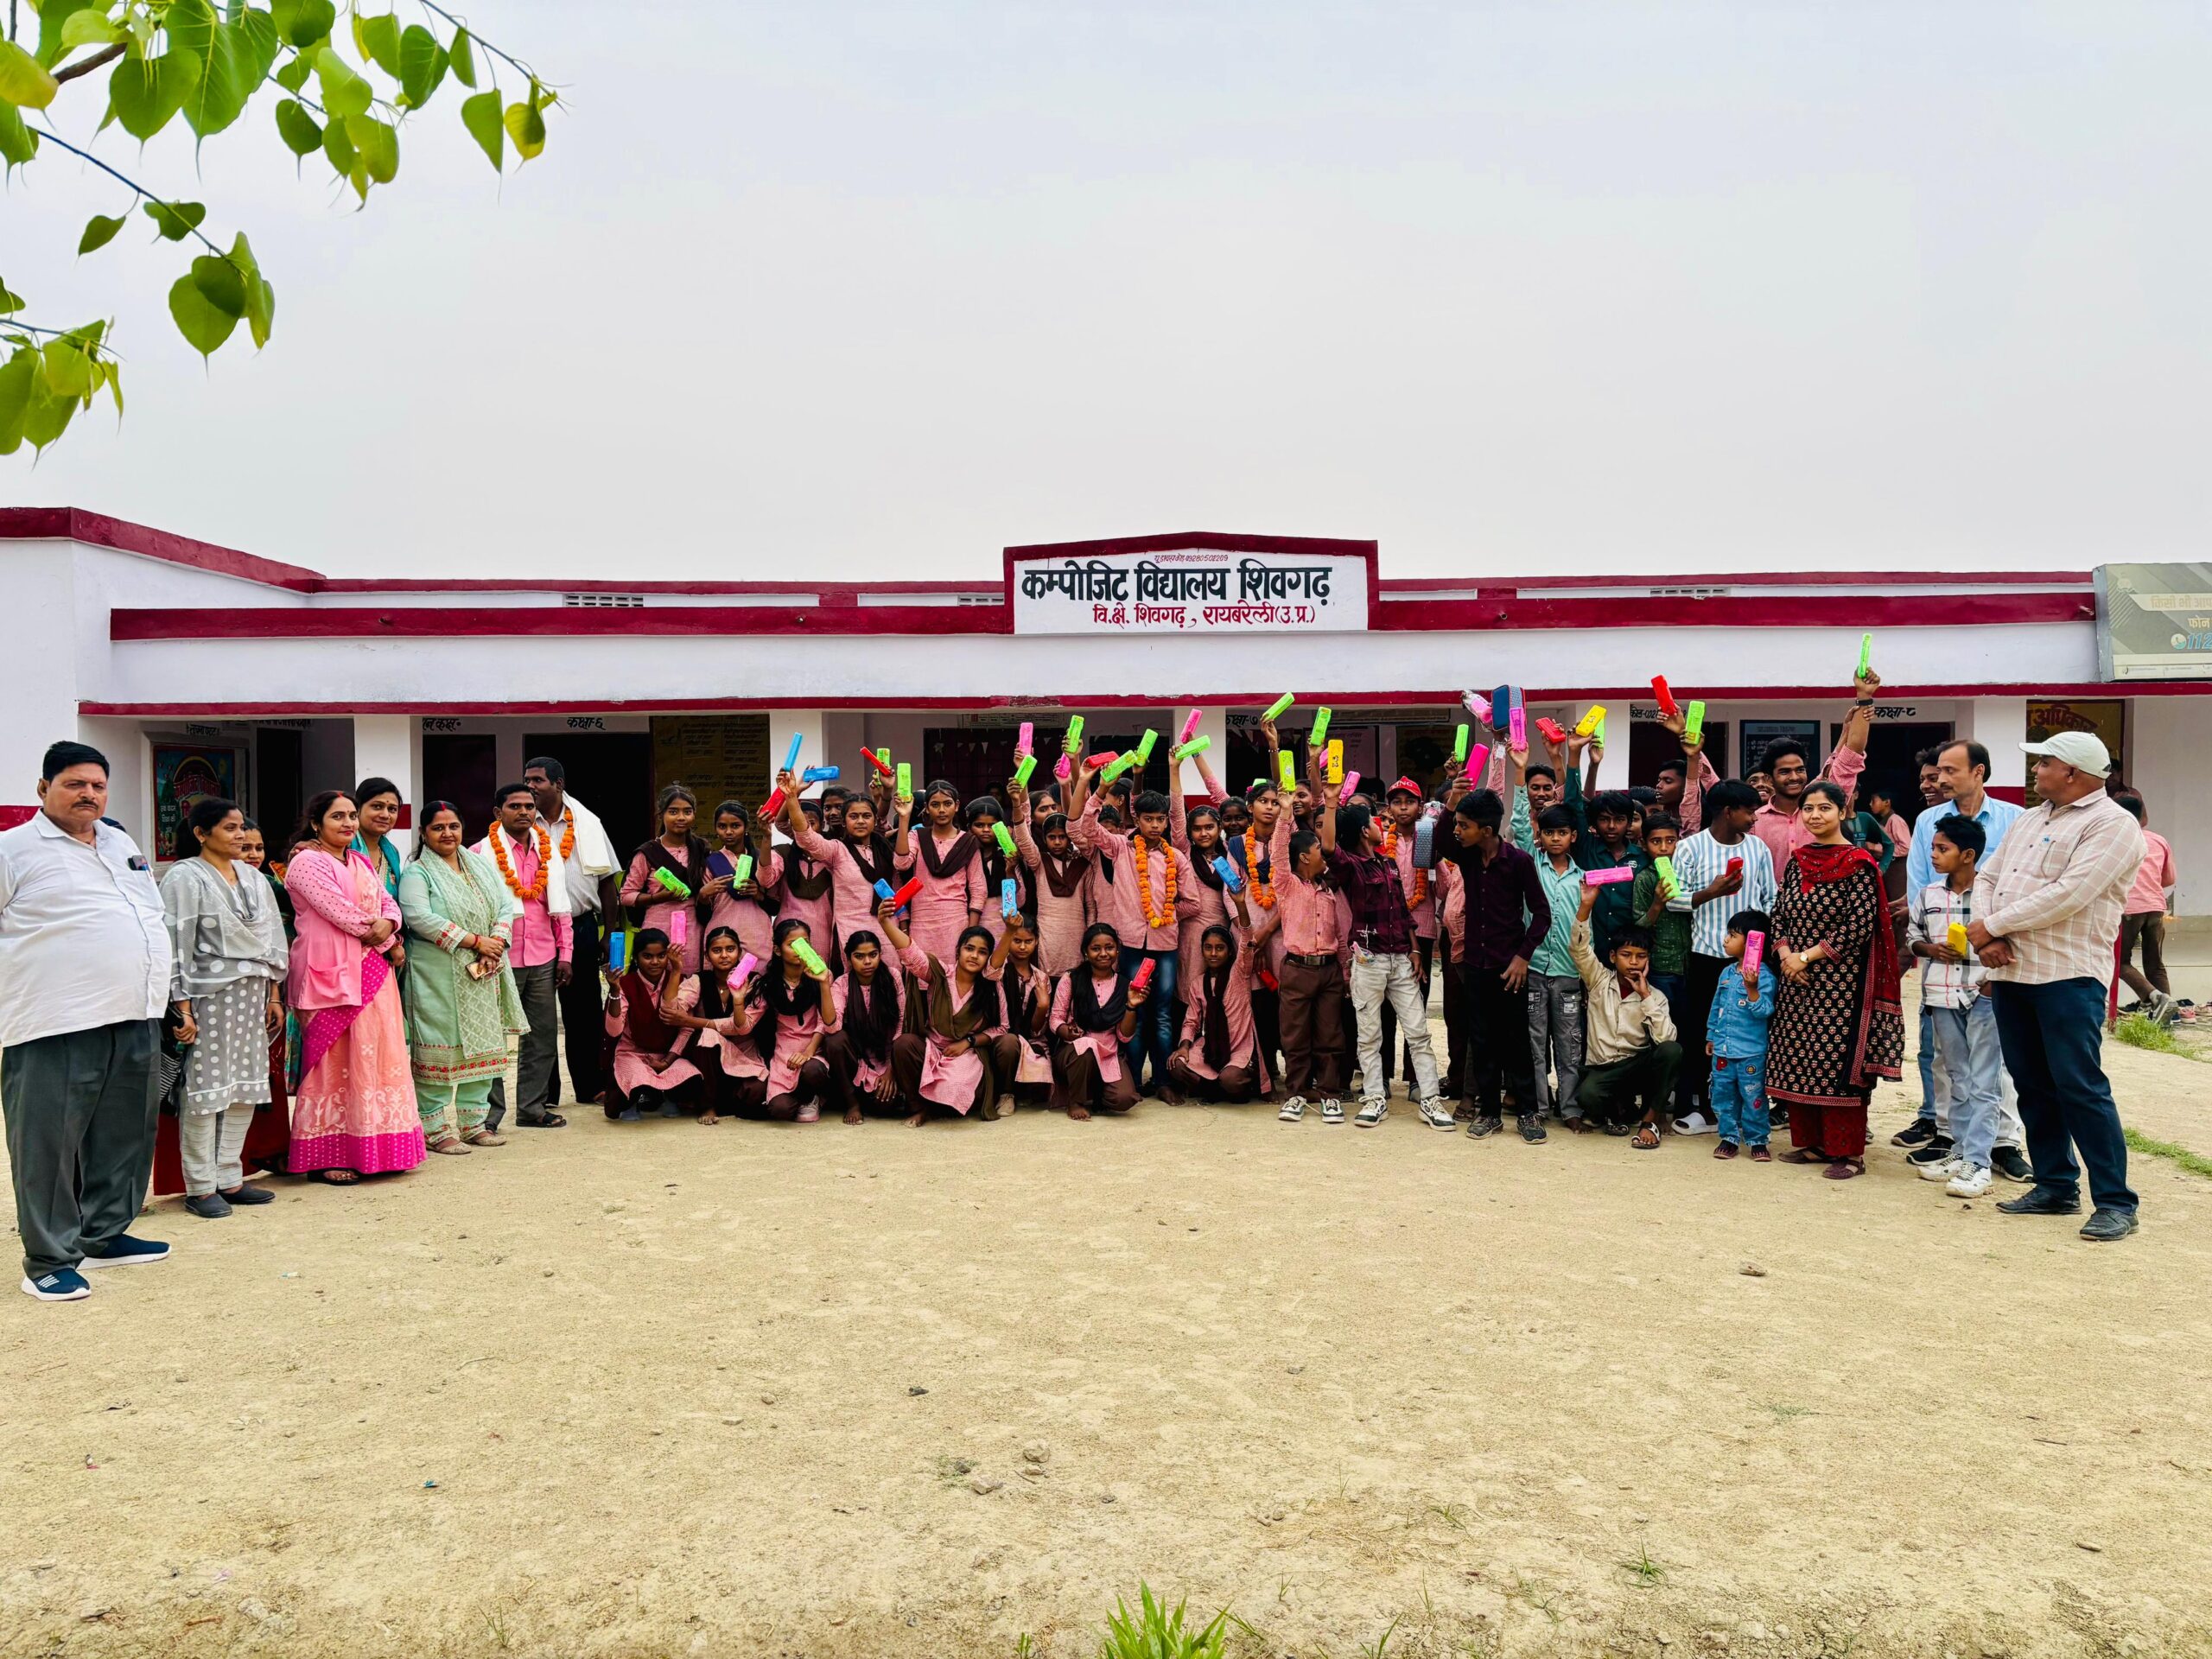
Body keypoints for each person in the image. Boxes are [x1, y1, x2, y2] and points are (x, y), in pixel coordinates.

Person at [0, 742, 174, 1299]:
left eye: (98, 785)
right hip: (55, 1020)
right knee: (48, 1144)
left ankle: (104, 1234)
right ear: (43, 788)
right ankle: (49, 1259)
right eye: (75, 784)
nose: (89, 794)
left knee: (126, 1133)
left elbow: (147, 914)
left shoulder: (120, 842)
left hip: (136, 1012)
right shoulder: (13, 849)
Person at [1971, 732, 2145, 1243]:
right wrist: (1987, 936)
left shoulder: (2113, 825)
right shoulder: (2031, 818)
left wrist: (1993, 927)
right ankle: (2055, 1185)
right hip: (2012, 972)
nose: (2036, 770)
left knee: (2080, 1087)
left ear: (2072, 772)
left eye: (2044, 762)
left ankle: (2115, 1202)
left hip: (2066, 975)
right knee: (2032, 1085)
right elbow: (1986, 877)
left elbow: (2070, 894)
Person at [1896, 740, 2029, 1179]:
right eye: (1939, 771)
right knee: (1943, 1058)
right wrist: (1927, 949)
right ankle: (1951, 1138)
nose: (1941, 778)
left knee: (1996, 1064)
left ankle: (2002, 1145)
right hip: (1942, 974)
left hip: (1992, 967)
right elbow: (1921, 889)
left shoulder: (2015, 819)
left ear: (1979, 772)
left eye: (1951, 770)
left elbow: (2019, 892)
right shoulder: (1927, 821)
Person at [284, 790, 428, 1185]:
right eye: (338, 816)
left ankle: (383, 1150)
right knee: (333, 1066)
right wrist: (388, 940)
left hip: (373, 975)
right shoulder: (305, 863)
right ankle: (328, 1155)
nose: (348, 823)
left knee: (379, 1058)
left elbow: (388, 903)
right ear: (316, 824)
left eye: (351, 816)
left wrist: (391, 924)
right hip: (329, 976)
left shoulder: (361, 860)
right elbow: (340, 912)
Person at [1764, 780, 1904, 1180]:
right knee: (1799, 1058)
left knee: (1837, 1064)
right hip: (1796, 979)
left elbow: (1858, 926)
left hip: (1841, 983)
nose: (1815, 816)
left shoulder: (1859, 864)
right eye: (1808, 809)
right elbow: (1779, 913)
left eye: (1824, 808)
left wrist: (1806, 957)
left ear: (1842, 812)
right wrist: (1787, 956)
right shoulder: (1798, 861)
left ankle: (1849, 1153)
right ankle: (1812, 1144)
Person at [157, 798, 290, 1219]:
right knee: (204, 1090)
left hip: (253, 997)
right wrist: (181, 1007)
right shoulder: (184, 877)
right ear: (201, 833)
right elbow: (175, 943)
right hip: (206, 997)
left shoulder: (253, 877)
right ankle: (200, 1186)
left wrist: (273, 995)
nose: (240, 836)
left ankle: (230, 1177)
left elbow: (272, 939)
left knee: (245, 1087)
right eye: (230, 829)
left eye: (241, 828)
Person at [1312, 739, 1451, 1132]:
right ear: (1364, 832)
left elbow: (1404, 914)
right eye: (1374, 821)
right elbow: (1329, 848)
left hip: (1402, 959)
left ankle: (1430, 1100)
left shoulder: (1388, 865)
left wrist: (1415, 951)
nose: (1382, 823)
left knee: (1419, 1031)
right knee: (1370, 1034)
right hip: (1369, 960)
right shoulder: (1352, 868)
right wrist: (1332, 803)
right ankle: (1374, 1097)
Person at [401, 801, 527, 1153]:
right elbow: (419, 917)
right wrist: (475, 941)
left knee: (483, 1044)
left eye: (453, 826)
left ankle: (474, 1124)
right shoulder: (417, 873)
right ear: (423, 833)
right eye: (438, 827)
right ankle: (436, 1129)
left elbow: (504, 905)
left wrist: (495, 942)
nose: (447, 833)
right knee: (439, 1046)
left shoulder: (479, 865)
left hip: (483, 971)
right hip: (437, 975)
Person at [1070, 771, 1198, 1099]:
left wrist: (1165, 916)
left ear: (1166, 822)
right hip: (1129, 944)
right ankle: (1135, 1082)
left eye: (1160, 820)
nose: (1155, 825)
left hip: (1165, 945)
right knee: (1133, 1012)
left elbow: (1193, 902)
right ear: (1136, 819)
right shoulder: (1120, 848)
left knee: (1163, 1014)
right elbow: (1087, 828)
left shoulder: (1176, 858)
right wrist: (1100, 790)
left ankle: (1163, 1082)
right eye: (1148, 819)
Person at [1436, 780, 1552, 1142]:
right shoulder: (1468, 857)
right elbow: (1441, 843)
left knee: (1517, 1042)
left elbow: (1542, 915)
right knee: (1482, 1040)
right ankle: (1489, 1113)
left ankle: (1529, 1113)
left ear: (1485, 830)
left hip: (1509, 969)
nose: (1458, 831)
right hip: (1476, 965)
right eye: (1457, 824)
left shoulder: (1518, 862)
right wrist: (1452, 804)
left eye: (1464, 825)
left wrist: (1522, 957)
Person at [1666, 780, 1776, 1135]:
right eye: (1749, 811)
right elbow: (1673, 900)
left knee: (1751, 1035)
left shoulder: (1758, 848)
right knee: (1703, 1033)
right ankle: (1701, 1108)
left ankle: (1748, 1110)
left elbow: (1771, 899)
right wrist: (1710, 892)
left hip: (1751, 964)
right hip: (1707, 958)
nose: (1754, 819)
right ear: (1728, 811)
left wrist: (1761, 946)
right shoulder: (1690, 848)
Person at [1907, 816, 2001, 1198]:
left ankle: (1980, 1163)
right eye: (1933, 847)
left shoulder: (1992, 894)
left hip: (1984, 995)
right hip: (1942, 995)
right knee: (1957, 1077)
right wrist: (1930, 949)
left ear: (1968, 855)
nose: (1933, 855)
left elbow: (2011, 938)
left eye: (1942, 849)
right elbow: (1912, 937)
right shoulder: (1928, 895)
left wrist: (1993, 983)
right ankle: (1961, 1152)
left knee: (1985, 1082)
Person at [524, 755, 624, 1108]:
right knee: (538, 1015)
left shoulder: (588, 823)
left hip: (580, 927)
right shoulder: (521, 823)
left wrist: (608, 933)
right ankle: (544, 1093)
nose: (530, 787)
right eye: (527, 780)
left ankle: (589, 1085)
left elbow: (608, 882)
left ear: (559, 784)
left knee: (583, 1011)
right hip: (535, 929)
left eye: (537, 780)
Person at [474, 782, 571, 1132]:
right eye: (514, 806)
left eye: (529, 806)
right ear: (498, 813)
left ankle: (532, 1109)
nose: (524, 812)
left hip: (543, 956)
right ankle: (488, 1116)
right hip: (499, 957)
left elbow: (560, 909)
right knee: (493, 1038)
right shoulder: (479, 853)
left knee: (542, 1036)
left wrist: (566, 953)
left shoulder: (549, 850)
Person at [1566, 884, 1680, 1147]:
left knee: (1672, 1051)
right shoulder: (1598, 981)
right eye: (1626, 955)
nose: (1634, 962)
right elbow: (1579, 950)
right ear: (1613, 957)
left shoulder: (1655, 996)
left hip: (1636, 1068)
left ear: (1648, 960)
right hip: (1603, 1070)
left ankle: (1649, 1121)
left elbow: (1667, 1041)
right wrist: (1586, 906)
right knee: (1588, 1096)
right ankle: (1618, 1110)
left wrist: (1645, 997)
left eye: (1641, 956)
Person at [880, 906, 1011, 1124]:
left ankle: (942, 1105)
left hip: (967, 1054)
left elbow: (1002, 1028)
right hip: (932, 1051)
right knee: (904, 1044)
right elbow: (911, 954)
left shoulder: (991, 986)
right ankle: (919, 1108)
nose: (974, 956)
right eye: (969, 949)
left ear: (988, 957)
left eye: (982, 952)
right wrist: (885, 923)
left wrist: (968, 1042)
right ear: (958, 951)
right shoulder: (940, 974)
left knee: (955, 1090)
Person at [1268, 770, 1346, 1124]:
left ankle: (1329, 1095)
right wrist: (1285, 812)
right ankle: (1296, 1094)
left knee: (1330, 1036)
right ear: (1303, 858)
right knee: (1295, 1037)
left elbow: (1339, 935)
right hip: (1297, 969)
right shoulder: (1287, 885)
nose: (1323, 854)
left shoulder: (1328, 890)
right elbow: (1278, 853)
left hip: (1328, 971)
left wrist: (1344, 972)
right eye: (1317, 850)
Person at [1750, 670, 1878, 871]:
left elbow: (1850, 757)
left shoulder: (1823, 803)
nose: (1795, 777)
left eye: (1799, 769)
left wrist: (1864, 697)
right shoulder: (1755, 821)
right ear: (1768, 778)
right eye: (1785, 772)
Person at [781, 769, 913, 963]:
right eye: (854, 816)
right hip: (849, 932)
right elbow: (807, 838)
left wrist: (904, 817)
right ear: (844, 821)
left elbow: (899, 880)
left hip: (886, 930)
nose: (860, 821)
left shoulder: (885, 849)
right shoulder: (837, 850)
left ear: (875, 820)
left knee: (889, 978)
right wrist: (792, 797)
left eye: (866, 816)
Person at [1522, 805, 1587, 1128]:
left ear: (1573, 836)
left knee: (1570, 1044)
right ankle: (1538, 1106)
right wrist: (1520, 784)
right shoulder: (1532, 865)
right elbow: (1520, 829)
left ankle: (1570, 1107)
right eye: (1549, 833)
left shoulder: (1583, 878)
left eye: (1562, 833)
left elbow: (1586, 929)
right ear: (1541, 836)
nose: (1556, 839)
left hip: (1568, 973)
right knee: (1534, 1043)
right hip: (1533, 969)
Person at [746, 918, 843, 1122]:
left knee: (813, 1070)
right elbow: (744, 1025)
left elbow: (829, 1024)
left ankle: (812, 1097)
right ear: (778, 950)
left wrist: (823, 983)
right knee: (780, 1110)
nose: (800, 950)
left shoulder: (822, 975)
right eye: (793, 944)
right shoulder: (769, 984)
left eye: (805, 943)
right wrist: (738, 1001)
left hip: (814, 1050)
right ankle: (801, 1097)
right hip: (784, 1055)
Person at [602, 928, 706, 1120]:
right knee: (636, 1078)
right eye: (647, 956)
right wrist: (615, 990)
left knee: (693, 1078)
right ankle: (635, 1102)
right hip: (633, 1054)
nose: (655, 962)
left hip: (667, 1055)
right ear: (636, 958)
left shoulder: (682, 981)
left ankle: (668, 1098)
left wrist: (667, 1062)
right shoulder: (625, 983)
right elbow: (614, 1030)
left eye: (661, 956)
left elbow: (683, 1027)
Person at [1167, 916, 1271, 1103]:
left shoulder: (1239, 973)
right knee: (1176, 1065)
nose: (1213, 953)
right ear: (1202, 951)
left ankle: (1221, 1086)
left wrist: (1241, 905)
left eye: (1220, 948)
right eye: (1208, 948)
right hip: (1210, 1048)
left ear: (1230, 952)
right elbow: (1191, 1022)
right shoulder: (1198, 983)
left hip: (1239, 1048)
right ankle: (1217, 1088)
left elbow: (1247, 938)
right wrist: (1184, 1047)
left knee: (1231, 1079)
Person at [1050, 924, 1147, 1119]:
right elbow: (1055, 1018)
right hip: (1073, 1053)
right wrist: (1065, 1031)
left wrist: (1131, 1006)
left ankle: (1095, 1092)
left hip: (1108, 1053)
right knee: (1085, 1047)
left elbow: (1124, 1037)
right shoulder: (1071, 978)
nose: (1103, 953)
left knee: (1124, 1099)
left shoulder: (1125, 985)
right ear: (1086, 952)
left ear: (1117, 950)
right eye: (1096, 948)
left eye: (1109, 947)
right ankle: (1075, 1102)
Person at [1707, 909, 1777, 1161]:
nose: (1726, 939)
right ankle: (1729, 1138)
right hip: (1723, 1050)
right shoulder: (1726, 973)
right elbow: (1717, 1006)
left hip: (1751, 1053)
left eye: (1733, 935)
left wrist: (1752, 988)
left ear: (1753, 943)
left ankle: (1757, 1140)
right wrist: (1711, 1036)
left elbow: (1765, 1011)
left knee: (1753, 1098)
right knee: (1722, 1096)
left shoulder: (1765, 976)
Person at [622, 785, 715, 973]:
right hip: (657, 930)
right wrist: (658, 897)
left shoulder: (702, 850)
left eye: (687, 812)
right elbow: (626, 896)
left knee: (690, 980)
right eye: (673, 812)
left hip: (693, 929)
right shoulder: (648, 852)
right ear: (661, 815)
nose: (681, 817)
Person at [822, 926, 907, 1121]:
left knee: (884, 1106)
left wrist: (891, 1071)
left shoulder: (892, 977)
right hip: (856, 1058)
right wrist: (824, 985)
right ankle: (852, 1102)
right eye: (859, 956)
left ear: (880, 954)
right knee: (835, 1041)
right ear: (849, 959)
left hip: (886, 1059)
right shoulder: (842, 984)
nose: (867, 962)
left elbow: (901, 1024)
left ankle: (872, 1095)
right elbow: (832, 1027)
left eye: (873, 955)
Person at [899, 779, 987, 963]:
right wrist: (904, 818)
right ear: (926, 808)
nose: (941, 810)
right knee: (921, 970)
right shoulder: (917, 836)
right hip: (922, 922)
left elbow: (979, 889)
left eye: (947, 804)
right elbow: (901, 863)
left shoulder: (968, 842)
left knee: (954, 974)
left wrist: (970, 933)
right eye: (935, 805)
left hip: (956, 922)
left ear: (957, 806)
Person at [1010, 785, 1091, 976]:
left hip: (1077, 933)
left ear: (1069, 837)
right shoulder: (1040, 862)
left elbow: (1090, 906)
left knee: (1074, 980)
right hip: (1047, 933)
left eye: (1062, 837)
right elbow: (1023, 839)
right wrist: (1016, 803)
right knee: (1045, 980)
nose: (1057, 842)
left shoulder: (1083, 863)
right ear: (1044, 838)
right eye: (1052, 837)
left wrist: (1091, 935)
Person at [2112, 792, 2178, 1023]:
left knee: (2119, 962)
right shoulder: (2159, 840)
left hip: (2128, 908)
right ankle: (2169, 1015)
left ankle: (2154, 998)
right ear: (2144, 816)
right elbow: (2168, 879)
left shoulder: (2115, 841)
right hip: (2156, 907)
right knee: (2155, 964)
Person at [704, 798, 784, 966]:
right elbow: (702, 913)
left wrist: (758, 894)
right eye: (722, 826)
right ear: (715, 829)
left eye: (735, 826)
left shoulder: (764, 857)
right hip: (721, 936)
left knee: (757, 978)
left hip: (757, 936)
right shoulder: (710, 862)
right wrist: (703, 894)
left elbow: (775, 907)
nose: (728, 832)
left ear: (746, 827)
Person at [351, 776, 407, 903]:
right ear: (357, 808)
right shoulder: (342, 847)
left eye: (392, 809)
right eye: (377, 806)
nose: (385, 815)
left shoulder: (392, 853)